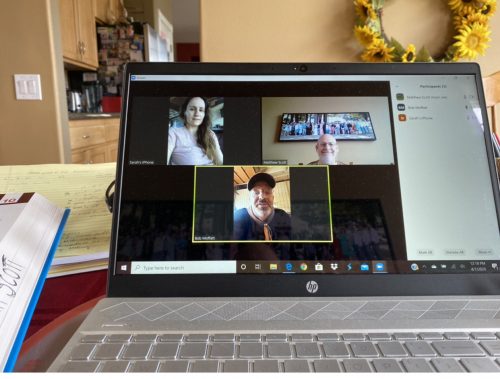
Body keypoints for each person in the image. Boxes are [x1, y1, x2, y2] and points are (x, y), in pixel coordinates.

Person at [233, 172, 292, 241]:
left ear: (273, 197)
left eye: (267, 192)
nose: (262, 197)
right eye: (256, 192)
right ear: (249, 198)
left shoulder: (284, 217)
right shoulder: (237, 218)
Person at [167, 97, 223, 165]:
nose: (197, 113)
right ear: (185, 112)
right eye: (192, 109)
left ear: (204, 114)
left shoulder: (210, 134)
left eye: (201, 110)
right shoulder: (173, 133)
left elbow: (220, 161)